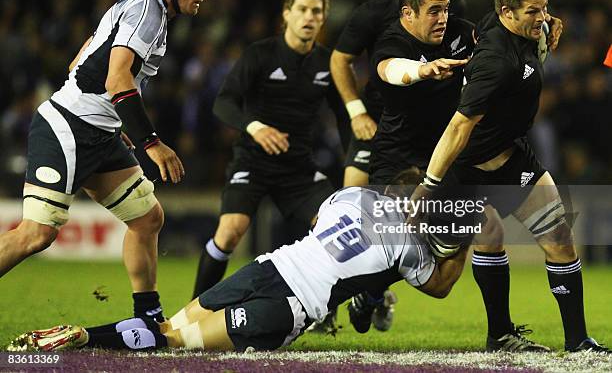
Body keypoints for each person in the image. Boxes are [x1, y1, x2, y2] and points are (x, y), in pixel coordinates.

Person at [10, 175, 476, 353]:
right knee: (176, 342)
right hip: (291, 306)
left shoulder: (352, 197)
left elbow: (319, 220)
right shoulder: (409, 242)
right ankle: (85, 337)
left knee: (171, 329)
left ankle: (87, 334)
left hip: (268, 267)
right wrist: (469, 241)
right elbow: (439, 285)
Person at [0, 0, 212, 323]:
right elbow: (117, 78)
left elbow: (79, 61)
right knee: (36, 234)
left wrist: (114, 121)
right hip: (67, 127)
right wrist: (152, 142)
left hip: (99, 132)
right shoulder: (149, 11)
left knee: (147, 218)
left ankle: (148, 318)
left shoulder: (139, 6)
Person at [412, 0, 609, 353]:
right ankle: (371, 291)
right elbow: (458, 128)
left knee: (560, 240)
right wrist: (429, 184)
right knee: (442, 279)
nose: (543, 18)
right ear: (507, 13)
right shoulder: (495, 63)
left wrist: (546, 23)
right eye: (533, 11)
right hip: (469, 170)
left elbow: (534, 16)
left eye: (544, 8)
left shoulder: (515, 24)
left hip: (514, 160)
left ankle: (577, 341)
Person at [328, 0, 465, 333]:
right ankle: (333, 304)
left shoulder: (450, 13)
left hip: (433, 129)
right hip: (379, 120)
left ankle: (371, 290)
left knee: (420, 226)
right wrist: (356, 111)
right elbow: (343, 61)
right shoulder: (374, 14)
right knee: (354, 209)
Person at [191, 0, 349, 301]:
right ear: (287, 15)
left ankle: (326, 309)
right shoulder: (260, 54)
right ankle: (196, 308)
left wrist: (353, 163)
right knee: (231, 230)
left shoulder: (328, 63)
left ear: (323, 20)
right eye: (302, 10)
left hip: (299, 167)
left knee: (337, 233)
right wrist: (255, 127)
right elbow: (224, 102)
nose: (309, 17)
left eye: (316, 12)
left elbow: (345, 118)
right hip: (253, 160)